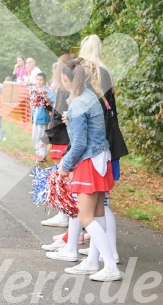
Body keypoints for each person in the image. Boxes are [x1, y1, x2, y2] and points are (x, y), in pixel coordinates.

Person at [49, 59, 122, 282]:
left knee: (85, 216)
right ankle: (92, 262)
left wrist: (64, 165)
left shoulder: (79, 103)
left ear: (65, 79)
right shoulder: (90, 97)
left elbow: (79, 144)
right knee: (97, 214)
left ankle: (110, 266)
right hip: (102, 158)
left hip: (89, 161)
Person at [40, 53, 75, 228]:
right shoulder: (74, 88)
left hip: (62, 137)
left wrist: (46, 137)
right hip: (69, 136)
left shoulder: (63, 88)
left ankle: (64, 213)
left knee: (62, 176)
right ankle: (68, 214)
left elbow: (59, 115)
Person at [31, 73, 55, 161]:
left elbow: (53, 101)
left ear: (44, 81)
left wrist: (46, 100)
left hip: (43, 117)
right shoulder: (34, 90)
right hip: (35, 116)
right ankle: (37, 152)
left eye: (41, 80)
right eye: (37, 79)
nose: (39, 81)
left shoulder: (47, 91)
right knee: (34, 136)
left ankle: (42, 155)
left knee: (41, 135)